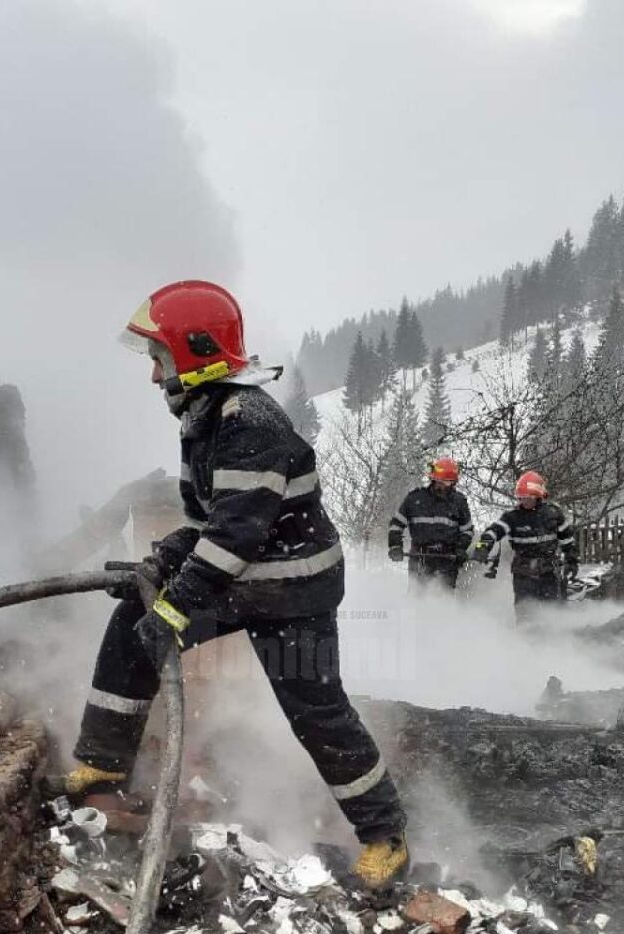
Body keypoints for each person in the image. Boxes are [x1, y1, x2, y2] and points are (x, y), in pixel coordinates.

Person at [67, 280, 408, 889]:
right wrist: (161, 562)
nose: (153, 375)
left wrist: (176, 605)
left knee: (317, 713)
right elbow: (207, 520)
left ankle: (385, 835)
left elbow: (235, 536)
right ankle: (100, 766)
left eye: (159, 359)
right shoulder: (206, 417)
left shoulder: (248, 421)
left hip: (293, 593)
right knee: (132, 632)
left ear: (195, 353)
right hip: (242, 581)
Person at [472, 471, 577, 618]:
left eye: (529, 498)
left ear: (539, 496)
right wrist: (482, 547)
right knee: (525, 613)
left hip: (548, 573)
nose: (525, 501)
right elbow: (493, 532)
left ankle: (553, 638)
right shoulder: (512, 517)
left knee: (552, 612)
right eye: (522, 498)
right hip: (523, 575)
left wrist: (572, 561)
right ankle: (525, 639)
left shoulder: (553, 514)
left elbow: (567, 540)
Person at [388, 458, 473, 590]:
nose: (443, 486)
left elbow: (467, 531)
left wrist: (461, 548)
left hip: (448, 560)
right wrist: (395, 546)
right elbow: (396, 525)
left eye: (448, 482)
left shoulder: (459, 502)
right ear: (433, 479)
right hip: (419, 558)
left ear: (453, 483)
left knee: (444, 601)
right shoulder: (414, 499)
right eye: (441, 481)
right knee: (418, 599)